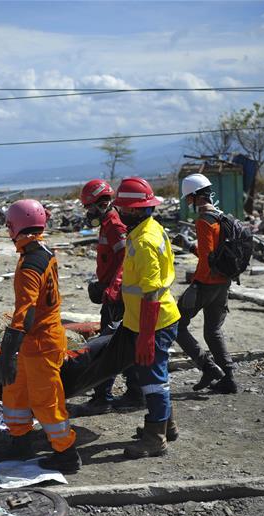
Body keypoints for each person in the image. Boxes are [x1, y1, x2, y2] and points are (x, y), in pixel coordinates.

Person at [0, 199, 80, 473]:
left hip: (41, 342)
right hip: (36, 340)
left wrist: (7, 352)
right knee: (15, 391)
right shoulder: (42, 251)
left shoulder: (31, 264)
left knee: (47, 401)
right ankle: (20, 440)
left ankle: (66, 453)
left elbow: (26, 313)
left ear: (15, 227)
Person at [114, 177, 181, 459]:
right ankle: (167, 425)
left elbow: (151, 293)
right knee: (154, 375)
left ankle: (155, 438)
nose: (119, 213)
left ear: (133, 210)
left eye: (122, 209)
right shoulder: (149, 228)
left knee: (153, 380)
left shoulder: (144, 241)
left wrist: (147, 335)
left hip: (154, 320)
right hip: (144, 318)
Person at [73, 179, 142, 416]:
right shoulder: (107, 223)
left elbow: (125, 260)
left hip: (118, 297)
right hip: (113, 293)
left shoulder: (114, 224)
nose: (88, 212)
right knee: (122, 343)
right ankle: (134, 393)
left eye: (90, 206)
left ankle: (103, 397)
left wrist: (113, 289)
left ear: (102, 204)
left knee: (109, 346)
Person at [175, 173, 237, 394]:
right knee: (213, 331)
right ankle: (228, 378)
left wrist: (195, 283)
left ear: (193, 196)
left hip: (205, 283)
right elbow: (214, 254)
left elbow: (207, 256)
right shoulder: (222, 217)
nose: (188, 202)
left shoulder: (203, 220)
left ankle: (208, 367)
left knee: (175, 324)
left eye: (188, 198)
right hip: (223, 283)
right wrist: (192, 247)